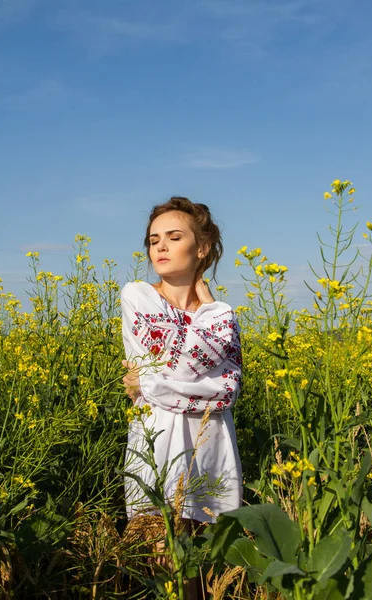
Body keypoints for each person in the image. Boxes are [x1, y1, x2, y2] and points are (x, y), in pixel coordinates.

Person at [121, 197, 242, 524]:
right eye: (154, 240)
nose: (160, 247)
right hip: (157, 440)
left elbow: (228, 388)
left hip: (211, 443)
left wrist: (148, 383)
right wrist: (160, 379)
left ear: (201, 248)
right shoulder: (138, 296)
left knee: (204, 560)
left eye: (174, 238)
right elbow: (181, 365)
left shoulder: (221, 314)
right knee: (160, 554)